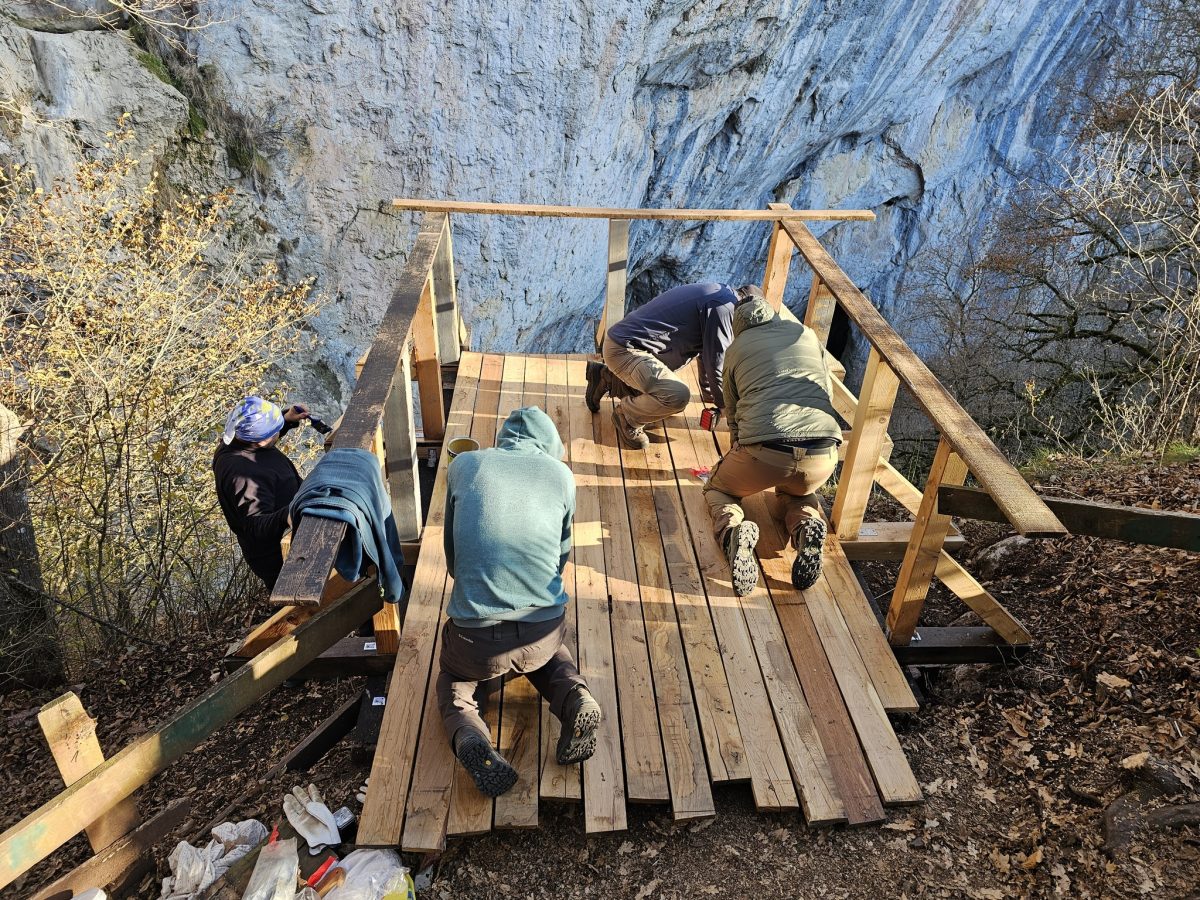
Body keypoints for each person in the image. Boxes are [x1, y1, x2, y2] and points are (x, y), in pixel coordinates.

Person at [438, 406, 602, 797]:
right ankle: (575, 698)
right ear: (550, 447)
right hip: (542, 629)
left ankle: (469, 735)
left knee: (455, 680)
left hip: (475, 642)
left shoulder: (465, 465)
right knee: (546, 652)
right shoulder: (561, 475)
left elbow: (453, 560)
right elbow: (560, 558)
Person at [703, 295, 842, 596]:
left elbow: (733, 409)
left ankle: (733, 532)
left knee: (718, 489)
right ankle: (806, 527)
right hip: (823, 452)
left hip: (767, 448)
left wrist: (737, 453)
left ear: (739, 326)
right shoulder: (805, 334)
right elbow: (827, 392)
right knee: (800, 491)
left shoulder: (736, 348)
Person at [586, 282, 764, 449]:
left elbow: (707, 352)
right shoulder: (726, 308)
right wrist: (728, 410)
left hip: (625, 346)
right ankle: (626, 417)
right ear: (748, 308)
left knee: (663, 392)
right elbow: (717, 362)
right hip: (625, 350)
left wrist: (711, 395)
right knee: (676, 396)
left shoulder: (720, 296)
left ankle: (607, 378)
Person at [213, 396, 311, 591]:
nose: (277, 432)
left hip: (295, 537)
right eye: (275, 429)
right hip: (280, 558)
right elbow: (254, 525)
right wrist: (288, 514)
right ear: (262, 439)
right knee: (298, 603)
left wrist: (287, 418)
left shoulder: (236, 441)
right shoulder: (243, 474)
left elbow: (260, 437)